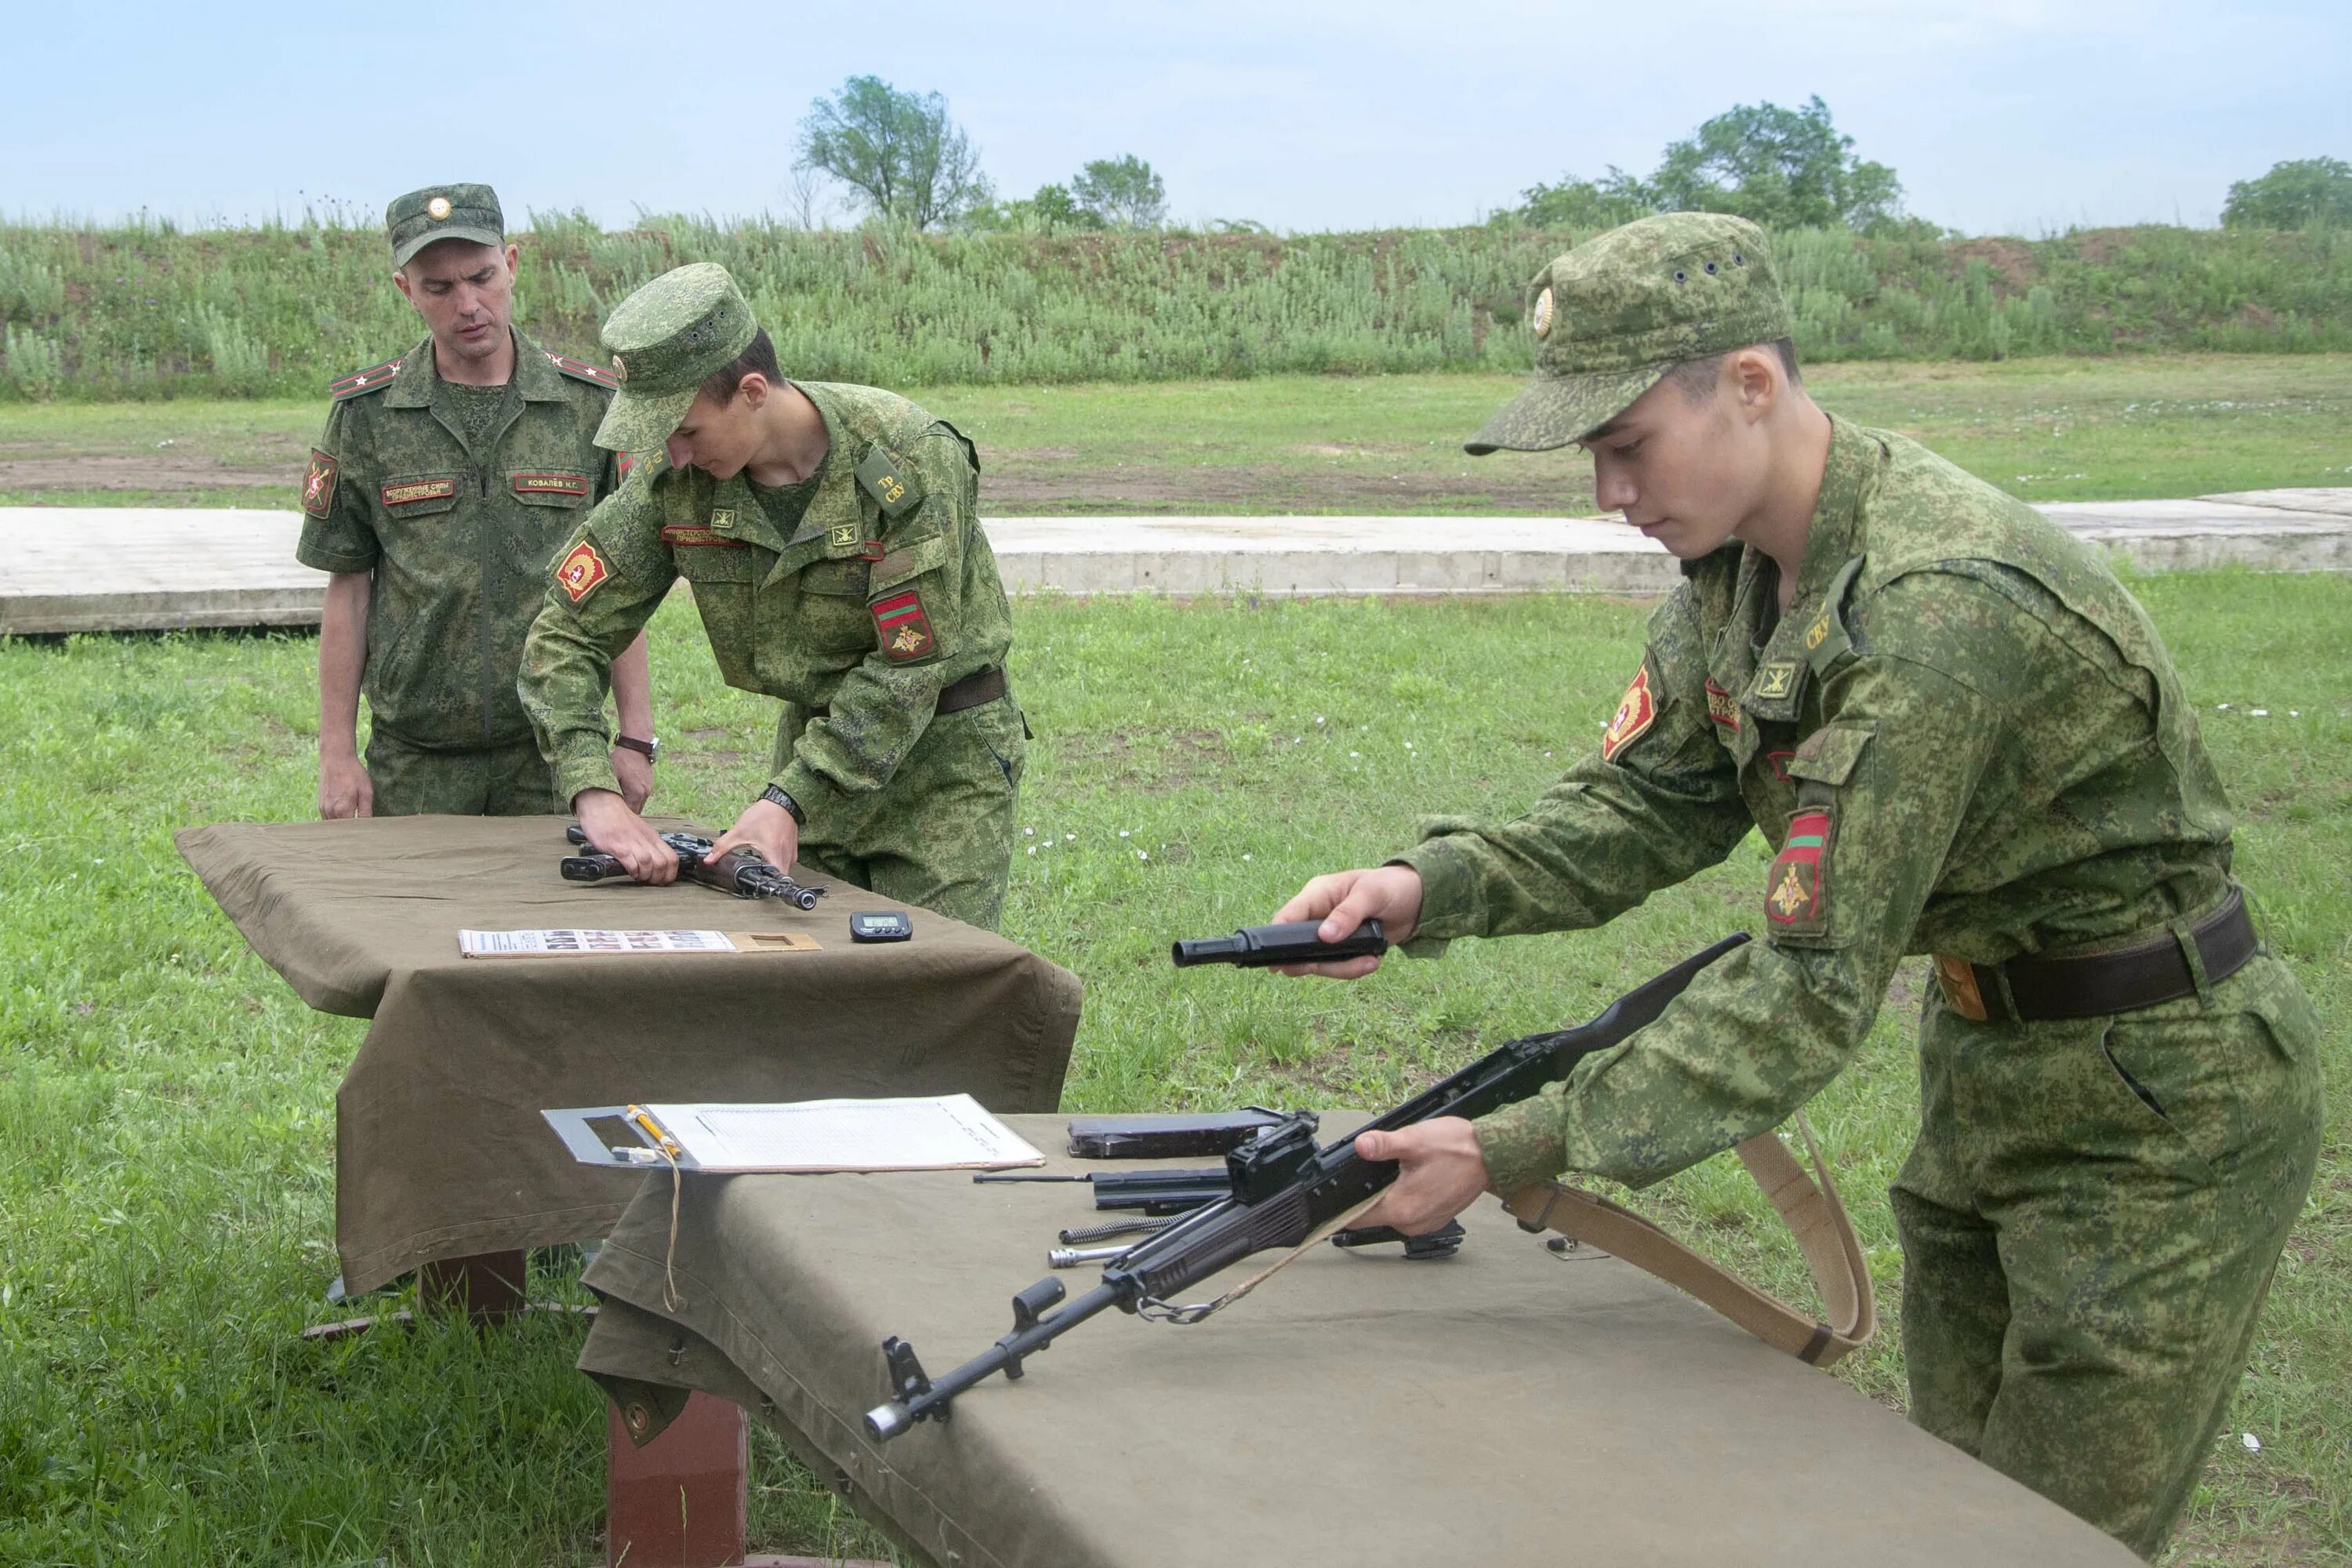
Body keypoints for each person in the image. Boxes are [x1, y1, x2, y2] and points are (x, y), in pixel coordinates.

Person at [1272, 212, 2321, 1559]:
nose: (1608, 492)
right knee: (1953, 1513)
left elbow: (1805, 993)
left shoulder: (1936, 608)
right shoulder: (1737, 576)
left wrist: (1515, 1145)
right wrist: (1425, 885)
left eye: (1626, 442)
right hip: (1993, 1062)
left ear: (1752, 388)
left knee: (2049, 1540)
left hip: (2162, 1106)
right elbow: (1648, 799)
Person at [517, 263, 1026, 930]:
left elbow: (911, 667)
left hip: (944, 767)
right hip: (816, 750)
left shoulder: (907, 457)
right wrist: (592, 789)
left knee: (932, 983)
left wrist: (789, 799)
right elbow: (567, 630)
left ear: (752, 391)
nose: (672, 454)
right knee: (808, 986)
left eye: (687, 430)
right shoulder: (680, 482)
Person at [297, 183, 655, 818]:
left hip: (558, 755)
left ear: (511, 265)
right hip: (416, 762)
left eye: (482, 277)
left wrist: (634, 737)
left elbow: (617, 584)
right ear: (406, 290)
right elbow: (348, 589)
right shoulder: (368, 418)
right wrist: (336, 753)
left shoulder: (589, 408)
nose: (468, 304)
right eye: (439, 287)